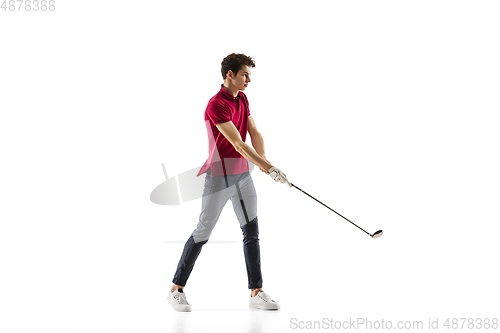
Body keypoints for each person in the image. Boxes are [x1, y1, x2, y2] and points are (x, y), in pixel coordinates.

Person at [167, 53, 291, 312]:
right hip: (219, 178)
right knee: (203, 231)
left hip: (243, 176)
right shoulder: (216, 105)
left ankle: (256, 292)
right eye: (245, 74)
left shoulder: (243, 98)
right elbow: (237, 143)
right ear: (230, 75)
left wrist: (264, 163)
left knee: (251, 231)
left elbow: (254, 132)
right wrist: (268, 167)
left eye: (250, 75)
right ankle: (176, 289)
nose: (248, 80)